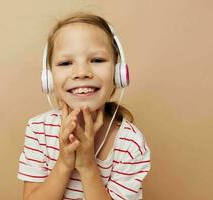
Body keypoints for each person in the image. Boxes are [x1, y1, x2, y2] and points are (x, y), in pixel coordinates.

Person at [17, 11, 151, 200]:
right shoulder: (38, 130)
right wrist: (64, 163)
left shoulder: (130, 144)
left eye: (97, 60)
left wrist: (87, 166)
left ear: (118, 73)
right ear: (48, 79)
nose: (81, 72)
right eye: (65, 63)